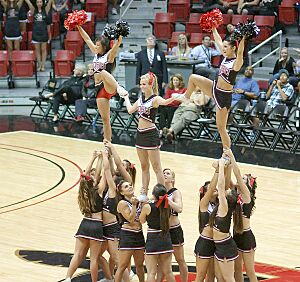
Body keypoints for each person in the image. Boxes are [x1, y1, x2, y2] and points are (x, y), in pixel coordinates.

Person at [174, 28, 246, 149]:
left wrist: (244, 38)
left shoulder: (236, 63)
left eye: (226, 47)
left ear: (233, 48)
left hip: (224, 96)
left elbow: (240, 53)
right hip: (215, 88)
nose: (223, 49)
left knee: (221, 128)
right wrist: (213, 28)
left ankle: (227, 152)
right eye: (223, 47)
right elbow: (218, 40)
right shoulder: (225, 56)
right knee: (193, 77)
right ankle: (186, 97)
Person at [118, 72, 176, 198]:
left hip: (150, 135)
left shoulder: (155, 99)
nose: (141, 86)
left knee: (156, 167)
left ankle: (162, 194)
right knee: (144, 166)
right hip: (140, 135)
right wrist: (126, 97)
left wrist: (176, 97)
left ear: (150, 84)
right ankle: (143, 193)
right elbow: (129, 110)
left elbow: (165, 102)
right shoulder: (140, 99)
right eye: (140, 84)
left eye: (144, 83)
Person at [77, 25, 123, 141]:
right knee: (105, 119)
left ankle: (119, 88)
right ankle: (107, 142)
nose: (95, 47)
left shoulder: (109, 56)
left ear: (104, 46)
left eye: (98, 45)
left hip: (107, 85)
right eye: (95, 45)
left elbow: (116, 47)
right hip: (99, 89)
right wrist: (79, 26)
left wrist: (119, 37)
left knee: (102, 73)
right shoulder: (96, 54)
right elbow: (87, 39)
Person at [64, 151, 104, 282]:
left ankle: (68, 278)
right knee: (93, 259)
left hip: (85, 224)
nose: (95, 176)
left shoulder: (83, 191)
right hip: (97, 225)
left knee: (78, 254)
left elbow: (86, 175)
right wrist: (101, 159)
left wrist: (93, 158)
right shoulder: (98, 190)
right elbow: (97, 174)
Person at [224, 149, 258, 282]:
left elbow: (237, 175)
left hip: (247, 237)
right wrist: (227, 165)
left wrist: (232, 156)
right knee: (236, 269)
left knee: (250, 272)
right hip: (236, 234)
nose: (240, 180)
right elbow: (228, 182)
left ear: (248, 185)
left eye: (244, 179)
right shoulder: (236, 193)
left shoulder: (246, 196)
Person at [208, 157, 243, 281]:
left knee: (228, 279)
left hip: (225, 247)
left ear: (227, 198)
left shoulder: (224, 207)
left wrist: (222, 166)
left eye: (228, 191)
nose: (227, 189)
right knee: (220, 277)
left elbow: (221, 186)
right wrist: (227, 165)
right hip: (220, 245)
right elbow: (225, 185)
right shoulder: (225, 205)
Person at [156, 168, 188, 282]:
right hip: (163, 230)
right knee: (161, 260)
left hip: (175, 230)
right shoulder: (159, 191)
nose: (165, 174)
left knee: (180, 259)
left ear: (172, 179)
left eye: (168, 173)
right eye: (163, 173)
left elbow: (179, 208)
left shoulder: (175, 192)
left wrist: (168, 200)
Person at [139, 183, 175, 282]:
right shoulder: (167, 205)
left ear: (153, 194)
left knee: (151, 272)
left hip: (153, 240)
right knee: (168, 272)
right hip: (166, 239)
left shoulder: (147, 207)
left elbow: (142, 221)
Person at [115, 181, 145, 282]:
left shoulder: (137, 200)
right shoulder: (122, 203)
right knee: (122, 266)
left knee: (140, 265)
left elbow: (143, 219)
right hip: (127, 235)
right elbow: (131, 219)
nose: (129, 187)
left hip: (139, 234)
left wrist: (145, 202)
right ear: (122, 192)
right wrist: (134, 205)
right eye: (126, 186)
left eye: (130, 185)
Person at [194, 170, 219, 282]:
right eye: (210, 188)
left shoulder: (220, 203)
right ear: (205, 193)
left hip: (216, 243)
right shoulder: (203, 203)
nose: (215, 188)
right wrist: (218, 171)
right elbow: (212, 186)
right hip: (205, 243)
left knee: (211, 276)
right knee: (200, 276)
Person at [26, 0, 53, 72]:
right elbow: (28, 2)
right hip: (36, 33)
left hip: (44, 32)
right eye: (38, 2)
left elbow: (50, 1)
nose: (39, 3)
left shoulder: (46, 9)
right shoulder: (33, 10)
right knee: (37, 50)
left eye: (40, 2)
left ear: (43, 2)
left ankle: (43, 65)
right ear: (36, 3)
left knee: (43, 49)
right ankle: (39, 64)